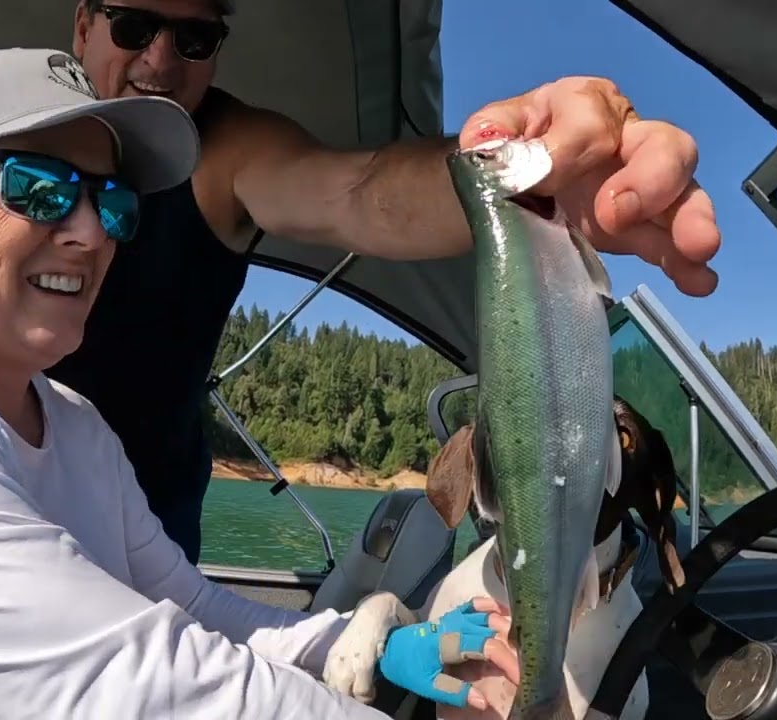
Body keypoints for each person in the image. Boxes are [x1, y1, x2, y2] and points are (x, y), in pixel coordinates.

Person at [0, 47, 517, 719]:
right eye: (40, 188)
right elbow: (137, 687)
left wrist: (368, 647)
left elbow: (194, 610)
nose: (88, 232)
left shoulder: (77, 425)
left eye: (112, 203)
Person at [50, 0, 724, 565]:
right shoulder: (5, 129)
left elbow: (359, 191)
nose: (162, 61)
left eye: (194, 38)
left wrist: (515, 174)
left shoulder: (220, 148)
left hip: (149, 534)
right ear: (84, 25)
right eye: (134, 26)